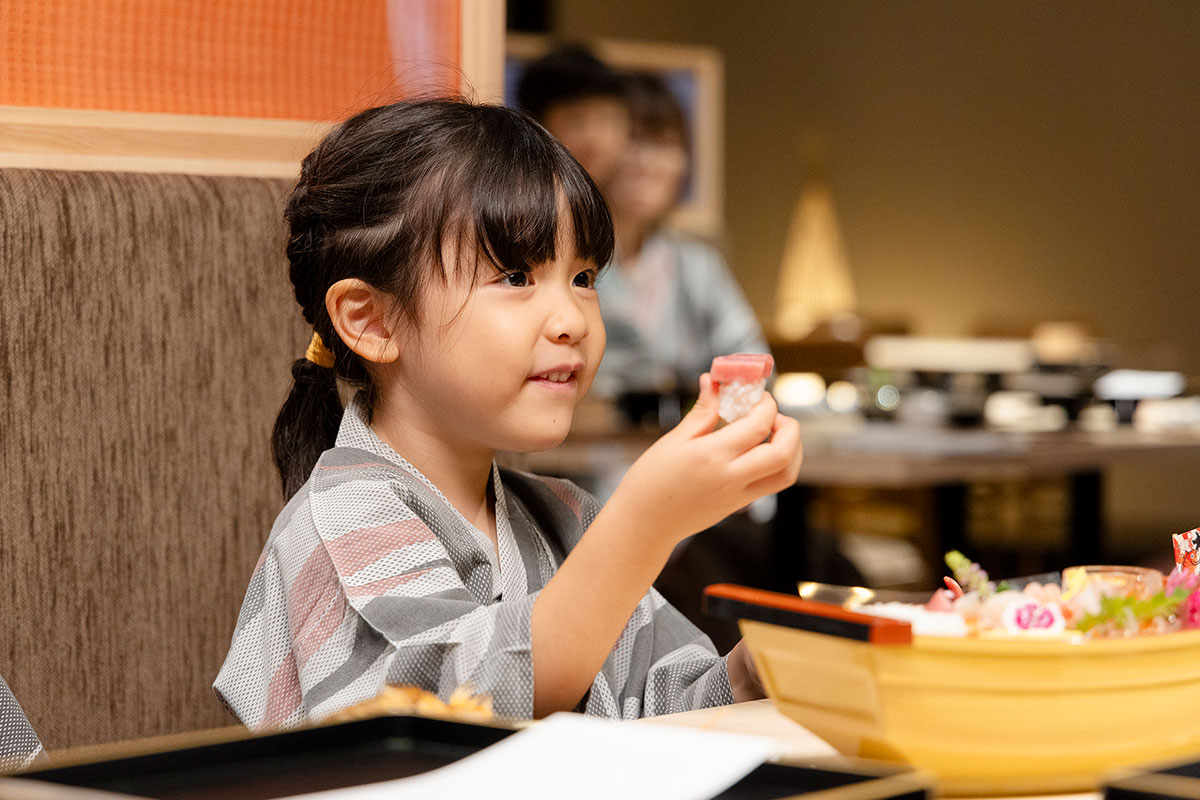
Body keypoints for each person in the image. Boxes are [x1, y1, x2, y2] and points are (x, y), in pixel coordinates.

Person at [213, 99, 803, 729]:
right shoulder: (343, 517)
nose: (572, 320)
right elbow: (448, 715)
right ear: (373, 320)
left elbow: (664, 709)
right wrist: (645, 521)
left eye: (583, 277)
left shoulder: (563, 515)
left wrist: (752, 673)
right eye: (517, 276)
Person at [594, 71, 769, 400]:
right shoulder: (569, 259)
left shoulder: (696, 264)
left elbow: (748, 356)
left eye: (664, 144)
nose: (647, 162)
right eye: (633, 140)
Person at [515, 45, 631, 195]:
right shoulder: (522, 199)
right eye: (575, 121)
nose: (594, 141)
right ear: (536, 124)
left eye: (606, 118)